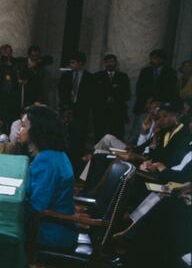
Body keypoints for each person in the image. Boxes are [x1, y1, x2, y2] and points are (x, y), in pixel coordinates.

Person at [20, 104, 79, 250]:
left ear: (37, 130)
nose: (19, 130)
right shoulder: (54, 153)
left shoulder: (47, 159)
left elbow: (37, 207)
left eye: (23, 126)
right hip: (54, 224)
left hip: (51, 231)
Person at [59, 52, 95, 171]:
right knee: (65, 138)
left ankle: (76, 167)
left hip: (81, 112)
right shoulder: (66, 76)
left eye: (73, 63)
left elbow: (91, 97)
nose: (71, 65)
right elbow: (61, 91)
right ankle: (64, 164)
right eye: (70, 63)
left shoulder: (89, 77)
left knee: (78, 139)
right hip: (67, 110)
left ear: (81, 63)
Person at [92, 54, 131, 141]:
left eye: (111, 62)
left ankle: (116, 153)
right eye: (107, 62)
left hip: (117, 111)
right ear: (104, 64)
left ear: (116, 63)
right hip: (101, 111)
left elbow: (127, 94)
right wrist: (104, 99)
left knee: (117, 135)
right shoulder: (97, 76)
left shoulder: (123, 77)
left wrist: (115, 98)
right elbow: (93, 94)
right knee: (99, 134)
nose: (109, 64)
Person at [133, 49, 178, 115]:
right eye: (151, 59)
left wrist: (156, 101)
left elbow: (170, 91)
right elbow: (139, 88)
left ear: (162, 59)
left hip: (160, 108)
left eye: (154, 59)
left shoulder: (170, 73)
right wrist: (147, 99)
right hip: (143, 106)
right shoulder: (145, 71)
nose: (151, 61)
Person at [0, 44, 20, 126]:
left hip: (12, 96)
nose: (7, 54)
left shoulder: (15, 62)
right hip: (1, 96)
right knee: (0, 117)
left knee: (11, 118)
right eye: (4, 52)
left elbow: (18, 78)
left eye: (8, 52)